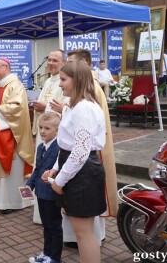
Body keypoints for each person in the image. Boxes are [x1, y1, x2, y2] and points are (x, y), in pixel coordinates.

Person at [44, 61, 107, 263]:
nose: (60, 84)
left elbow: (80, 151)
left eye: (63, 79)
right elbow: (67, 145)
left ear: (77, 80)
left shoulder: (84, 108)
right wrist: (56, 169)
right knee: (81, 231)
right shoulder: (74, 106)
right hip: (77, 169)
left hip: (83, 173)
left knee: (84, 232)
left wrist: (60, 181)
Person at [63, 48, 118, 249]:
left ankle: (93, 237)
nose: (66, 66)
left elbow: (84, 141)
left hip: (86, 157)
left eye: (71, 62)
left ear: (84, 64)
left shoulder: (90, 90)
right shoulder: (84, 88)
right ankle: (81, 238)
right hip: (79, 153)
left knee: (86, 205)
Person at [0, 56, 35, 215]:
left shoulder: (15, 86)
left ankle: (12, 202)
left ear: (6, 67)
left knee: (11, 172)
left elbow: (17, 107)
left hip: (10, 135)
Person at [31, 49, 68, 224]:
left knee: (49, 167)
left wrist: (43, 107)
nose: (50, 63)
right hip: (44, 132)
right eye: (49, 60)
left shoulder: (64, 83)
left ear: (63, 63)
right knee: (40, 166)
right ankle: (41, 213)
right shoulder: (48, 81)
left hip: (55, 134)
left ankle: (50, 210)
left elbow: (62, 108)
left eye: (55, 60)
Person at [26, 113, 62, 263]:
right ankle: (46, 253)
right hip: (41, 193)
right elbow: (37, 169)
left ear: (57, 130)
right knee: (46, 225)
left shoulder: (60, 147)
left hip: (52, 193)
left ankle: (55, 257)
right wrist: (29, 186)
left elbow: (61, 170)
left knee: (54, 226)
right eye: (40, 127)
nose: (42, 131)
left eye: (47, 128)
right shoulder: (41, 146)